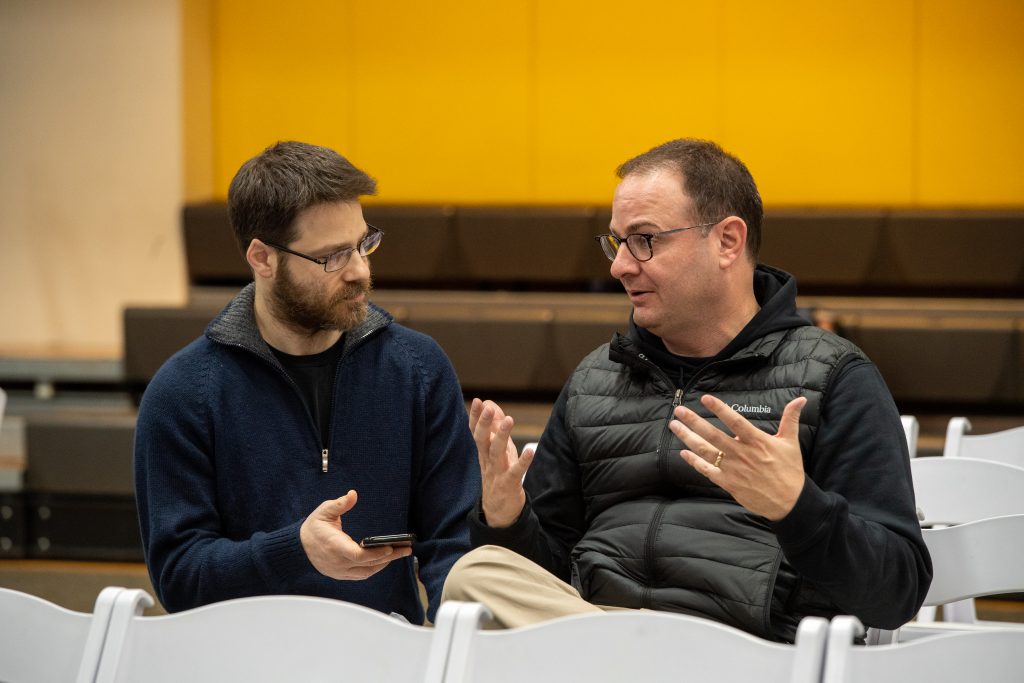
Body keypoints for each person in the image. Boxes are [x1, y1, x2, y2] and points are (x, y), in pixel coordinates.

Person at [443, 138, 932, 641]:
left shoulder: (834, 378)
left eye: (645, 240)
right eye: (616, 242)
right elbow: (545, 576)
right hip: (597, 635)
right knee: (476, 573)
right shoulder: (594, 382)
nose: (619, 267)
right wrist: (506, 523)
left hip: (744, 652)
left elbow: (897, 593)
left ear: (727, 242)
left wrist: (796, 507)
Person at [134, 141, 480, 623]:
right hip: (242, 664)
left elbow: (453, 545)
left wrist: (455, 643)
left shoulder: (417, 369)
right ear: (262, 258)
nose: (360, 270)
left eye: (363, 243)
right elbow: (179, 577)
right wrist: (293, 550)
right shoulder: (183, 394)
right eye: (333, 256)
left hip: (385, 662)